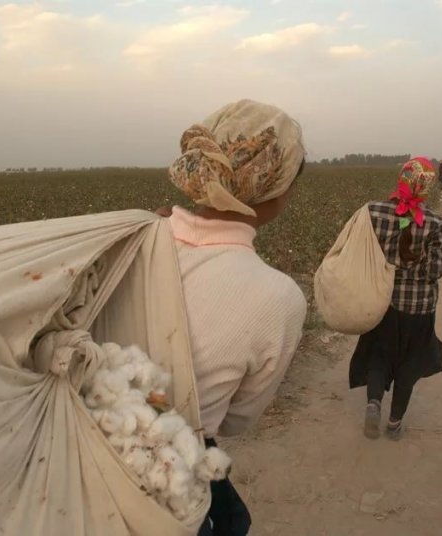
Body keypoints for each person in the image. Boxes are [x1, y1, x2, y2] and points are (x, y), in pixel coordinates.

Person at [161, 99, 308, 536]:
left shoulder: (137, 236)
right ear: (277, 187)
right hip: (172, 487)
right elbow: (236, 420)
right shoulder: (279, 297)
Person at [349, 157, 442, 440]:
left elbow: (359, 253)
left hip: (382, 303)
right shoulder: (436, 223)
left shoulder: (373, 212)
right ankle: (394, 423)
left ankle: (373, 402)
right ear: (427, 186)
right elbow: (436, 271)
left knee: (379, 355)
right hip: (419, 309)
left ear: (402, 178)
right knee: (409, 364)